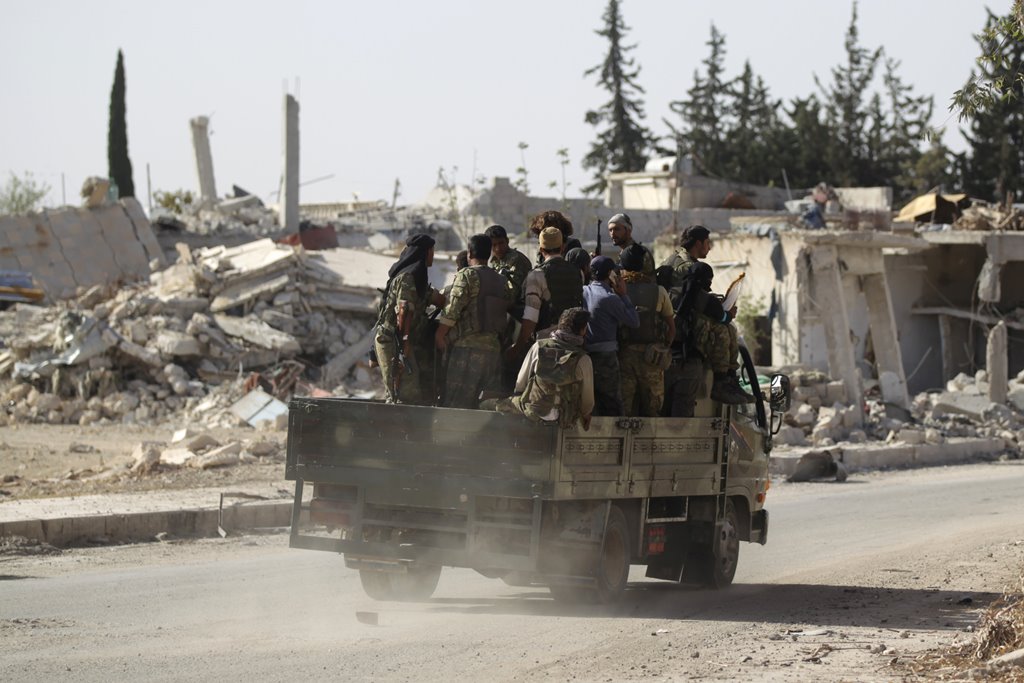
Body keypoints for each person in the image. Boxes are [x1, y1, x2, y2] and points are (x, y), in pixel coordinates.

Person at [435, 234, 511, 409]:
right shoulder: (501, 280)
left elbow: (452, 310)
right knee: (485, 406)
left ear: (469, 253)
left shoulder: (467, 275)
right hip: (493, 352)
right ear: (490, 253)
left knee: (456, 404)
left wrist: (439, 335)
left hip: (467, 350)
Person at [494, 307, 594, 431]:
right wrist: (586, 414)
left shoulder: (539, 347)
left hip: (534, 411)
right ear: (583, 330)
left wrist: (519, 398)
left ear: (560, 325)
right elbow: (587, 398)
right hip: (564, 417)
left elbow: (521, 381)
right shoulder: (583, 359)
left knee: (491, 404)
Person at [374, 234, 445, 404]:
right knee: (402, 392)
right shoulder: (408, 278)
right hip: (395, 340)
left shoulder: (417, 280)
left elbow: (438, 299)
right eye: (431, 251)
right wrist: (404, 343)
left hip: (400, 340)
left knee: (408, 391)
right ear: (425, 253)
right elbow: (404, 309)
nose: (433, 256)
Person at [673, 261, 753, 407]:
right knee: (727, 329)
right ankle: (724, 380)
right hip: (697, 345)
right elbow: (723, 318)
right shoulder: (707, 299)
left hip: (679, 344)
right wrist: (730, 314)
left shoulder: (675, 293)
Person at [509, 227, 584, 360]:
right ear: (562, 247)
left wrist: (517, 348)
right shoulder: (578, 272)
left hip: (547, 347)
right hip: (574, 346)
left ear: (541, 249)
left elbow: (531, 318)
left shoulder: (537, 275)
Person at [618, 243, 675, 417]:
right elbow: (671, 329)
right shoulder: (659, 292)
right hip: (652, 358)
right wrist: (663, 348)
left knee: (624, 410)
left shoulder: (617, 290)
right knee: (652, 410)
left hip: (624, 356)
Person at [583, 256, 639, 416]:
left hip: (585, 355)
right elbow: (634, 321)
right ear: (610, 274)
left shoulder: (584, 291)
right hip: (606, 358)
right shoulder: (610, 298)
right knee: (612, 402)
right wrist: (624, 295)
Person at [485, 224, 532, 304]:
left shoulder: (516, 259)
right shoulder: (495, 261)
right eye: (494, 245)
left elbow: (513, 293)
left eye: (501, 243)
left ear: (507, 241)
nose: (498, 248)